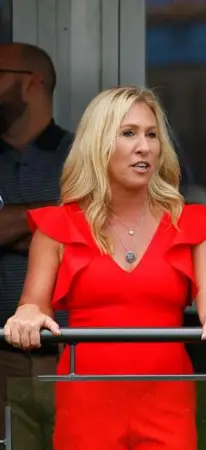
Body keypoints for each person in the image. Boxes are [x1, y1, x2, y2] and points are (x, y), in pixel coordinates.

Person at [2, 86, 206, 450]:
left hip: (166, 399)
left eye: (152, 134)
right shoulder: (57, 226)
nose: (145, 146)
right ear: (98, 143)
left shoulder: (190, 224)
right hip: (86, 400)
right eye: (129, 133)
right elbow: (33, 304)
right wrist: (25, 316)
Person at [0, 42, 71, 448]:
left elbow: (99, 228)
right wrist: (56, 221)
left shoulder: (84, 156)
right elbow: (75, 224)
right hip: (1, 358)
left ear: (32, 83)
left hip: (74, 355)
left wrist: (14, 224)